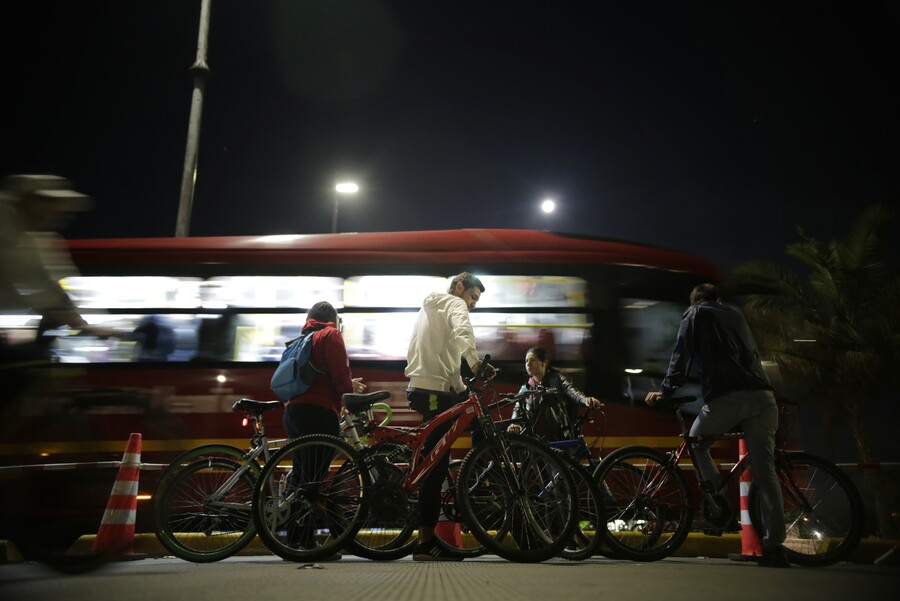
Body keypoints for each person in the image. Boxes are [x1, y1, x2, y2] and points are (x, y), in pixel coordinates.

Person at [644, 283, 789, 568]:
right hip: (763, 398)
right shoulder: (734, 314)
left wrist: (666, 390)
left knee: (697, 443)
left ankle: (717, 502)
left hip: (728, 399)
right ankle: (775, 547)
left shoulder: (694, 313)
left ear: (695, 300)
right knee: (766, 472)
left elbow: (681, 354)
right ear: (719, 299)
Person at [405, 272, 492, 561]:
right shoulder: (454, 305)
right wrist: (477, 364)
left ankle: (482, 472)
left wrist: (462, 388)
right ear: (459, 287)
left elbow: (446, 359)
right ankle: (425, 542)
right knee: (435, 466)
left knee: (470, 425)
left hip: (433, 387)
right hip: (433, 391)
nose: (473, 305)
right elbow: (463, 333)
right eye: (473, 297)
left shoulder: (431, 308)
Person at [281, 301, 365, 558]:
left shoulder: (304, 338)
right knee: (314, 482)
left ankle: (294, 541)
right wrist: (350, 396)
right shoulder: (331, 334)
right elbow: (340, 375)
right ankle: (307, 546)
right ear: (334, 319)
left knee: (301, 475)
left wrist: (348, 385)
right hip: (319, 413)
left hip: (294, 412)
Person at [507, 346, 602, 441]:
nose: (528, 364)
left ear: (545, 362)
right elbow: (518, 408)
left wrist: (585, 400)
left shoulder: (557, 379)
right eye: (526, 361)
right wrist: (514, 424)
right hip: (535, 441)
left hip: (559, 436)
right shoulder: (525, 388)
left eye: (533, 360)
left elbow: (572, 392)